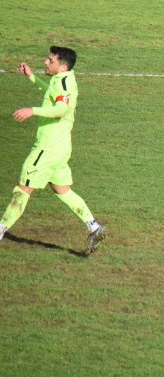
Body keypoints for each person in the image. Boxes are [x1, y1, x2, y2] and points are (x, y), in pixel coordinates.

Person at [0, 46, 107, 255]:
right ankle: (94, 227)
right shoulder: (62, 80)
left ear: (62, 65)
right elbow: (53, 95)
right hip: (60, 147)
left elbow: (60, 109)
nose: (45, 63)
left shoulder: (65, 83)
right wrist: (32, 78)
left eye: (50, 61)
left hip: (48, 148)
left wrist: (32, 111)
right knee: (62, 190)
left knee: (23, 189)